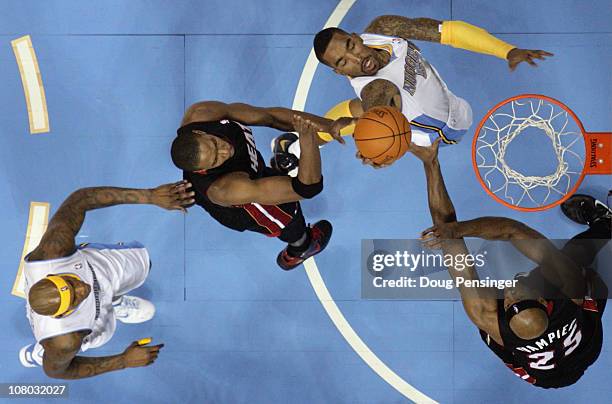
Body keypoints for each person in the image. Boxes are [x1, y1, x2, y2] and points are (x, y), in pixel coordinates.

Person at [414, 139, 610, 388]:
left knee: (463, 268)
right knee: (571, 261)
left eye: (507, 302)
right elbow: (511, 231)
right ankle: (606, 224)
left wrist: (431, 165)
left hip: (540, 359)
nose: (508, 292)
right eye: (517, 295)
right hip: (586, 348)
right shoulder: (571, 292)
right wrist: (454, 229)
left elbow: (452, 245)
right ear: (543, 299)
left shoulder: (487, 315)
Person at [273, 15, 553, 169]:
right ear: (339, 72)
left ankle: (297, 146)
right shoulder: (376, 89)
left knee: (354, 111)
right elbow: (380, 107)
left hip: (456, 106)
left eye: (351, 47)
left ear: (356, 37)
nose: (358, 60)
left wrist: (508, 51)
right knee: (361, 110)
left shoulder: (383, 30)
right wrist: (376, 148)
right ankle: (301, 148)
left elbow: (450, 33)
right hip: (442, 133)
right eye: (344, 62)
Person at [22, 181, 194, 379]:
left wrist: (151, 196)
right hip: (82, 326)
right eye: (75, 298)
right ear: (63, 315)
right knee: (94, 340)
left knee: (145, 263)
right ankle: (42, 352)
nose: (82, 288)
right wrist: (123, 361)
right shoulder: (64, 339)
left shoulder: (54, 252)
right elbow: (57, 371)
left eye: (71, 282)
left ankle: (114, 298)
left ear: (53, 275)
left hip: (98, 268)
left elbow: (81, 199)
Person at [171, 101, 353, 270]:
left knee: (265, 174)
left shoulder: (202, 113)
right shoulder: (227, 189)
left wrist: (327, 125)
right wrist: (308, 144)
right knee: (288, 217)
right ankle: (300, 248)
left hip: (249, 177)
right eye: (216, 159)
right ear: (203, 169)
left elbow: (269, 116)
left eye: (215, 143)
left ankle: (276, 173)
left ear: (200, 132)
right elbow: (307, 188)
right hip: (248, 207)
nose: (225, 150)